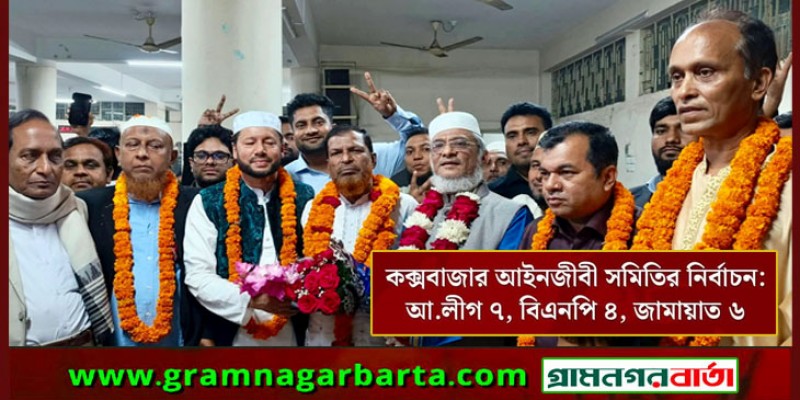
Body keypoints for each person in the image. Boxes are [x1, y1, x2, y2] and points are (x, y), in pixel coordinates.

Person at [632, 9, 791, 346]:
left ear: (759, 83)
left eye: (705, 72)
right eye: (677, 77)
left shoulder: (786, 180)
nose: (684, 92)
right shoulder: (672, 188)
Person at [397, 110, 532, 346]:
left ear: (483, 157)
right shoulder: (419, 215)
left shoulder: (511, 213)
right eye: (437, 146)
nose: (447, 152)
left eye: (460, 143)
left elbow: (509, 291)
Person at [184, 111, 315, 346]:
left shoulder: (304, 197)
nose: (260, 150)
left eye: (269, 142)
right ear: (235, 151)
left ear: (282, 149)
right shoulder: (209, 201)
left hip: (296, 329)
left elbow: (317, 260)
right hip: (232, 328)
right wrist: (253, 300)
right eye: (250, 142)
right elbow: (198, 276)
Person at [517, 121, 654, 347]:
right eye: (545, 174)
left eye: (566, 173)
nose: (550, 185)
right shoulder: (536, 232)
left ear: (608, 177)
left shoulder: (644, 234)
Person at [78, 115, 204, 346]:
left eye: (155, 146)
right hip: (113, 347)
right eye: (132, 145)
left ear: (172, 156)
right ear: (118, 154)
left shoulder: (196, 204)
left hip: (179, 343)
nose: (142, 154)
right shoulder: (91, 206)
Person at [301, 125, 417, 346]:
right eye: (337, 153)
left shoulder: (405, 205)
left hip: (383, 338)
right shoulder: (312, 209)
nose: (346, 159)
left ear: (373, 159)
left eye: (355, 150)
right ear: (328, 165)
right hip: (324, 336)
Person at [9, 109, 113, 346]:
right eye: (30, 156)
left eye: (55, 157)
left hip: (85, 350)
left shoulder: (76, 208)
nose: (45, 168)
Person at [285, 72, 424, 192]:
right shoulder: (286, 177)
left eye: (318, 122)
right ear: (293, 133)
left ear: (332, 127)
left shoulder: (366, 155)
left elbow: (418, 141)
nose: (311, 130)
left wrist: (392, 115)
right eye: (301, 125)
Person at [629, 97, 696, 208]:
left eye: (683, 130)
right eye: (661, 131)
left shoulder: (717, 195)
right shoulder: (630, 202)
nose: (671, 138)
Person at [489, 102, 553, 199]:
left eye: (531, 133)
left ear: (549, 135)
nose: (521, 141)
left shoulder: (569, 185)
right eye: (512, 136)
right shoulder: (492, 195)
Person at [390, 126, 432, 202]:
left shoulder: (452, 184)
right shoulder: (393, 189)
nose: (417, 156)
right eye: (409, 152)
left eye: (426, 149)